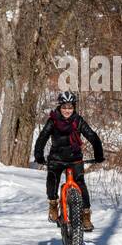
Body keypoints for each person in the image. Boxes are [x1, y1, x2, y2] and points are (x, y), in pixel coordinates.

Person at [33, 90, 103, 230]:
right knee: (52, 179)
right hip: (56, 158)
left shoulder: (78, 120)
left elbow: (92, 136)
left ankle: (85, 216)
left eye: (70, 107)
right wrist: (39, 155)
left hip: (74, 158)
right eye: (64, 107)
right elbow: (43, 137)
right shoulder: (53, 120)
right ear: (60, 107)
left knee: (80, 184)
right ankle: (53, 204)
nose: (67, 110)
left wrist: (98, 153)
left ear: (74, 107)